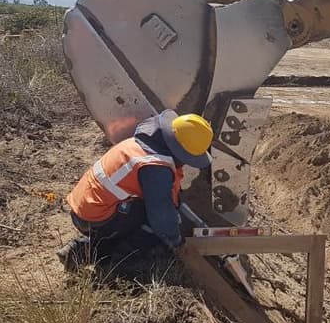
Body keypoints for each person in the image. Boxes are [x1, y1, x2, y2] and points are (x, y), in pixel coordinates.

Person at [57, 109, 213, 270]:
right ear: (180, 152)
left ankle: (80, 251)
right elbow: (161, 216)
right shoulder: (155, 168)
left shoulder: (143, 144)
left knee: (143, 216)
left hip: (84, 208)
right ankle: (121, 266)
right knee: (153, 228)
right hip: (95, 218)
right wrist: (176, 241)